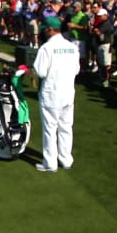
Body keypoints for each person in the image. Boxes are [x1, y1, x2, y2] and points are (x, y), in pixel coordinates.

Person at [33, 16, 81, 172]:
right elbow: (76, 70)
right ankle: (66, 159)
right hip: (67, 92)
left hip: (51, 93)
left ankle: (50, 163)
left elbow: (40, 72)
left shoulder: (46, 48)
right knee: (66, 127)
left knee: (50, 128)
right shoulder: (72, 47)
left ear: (50, 29)